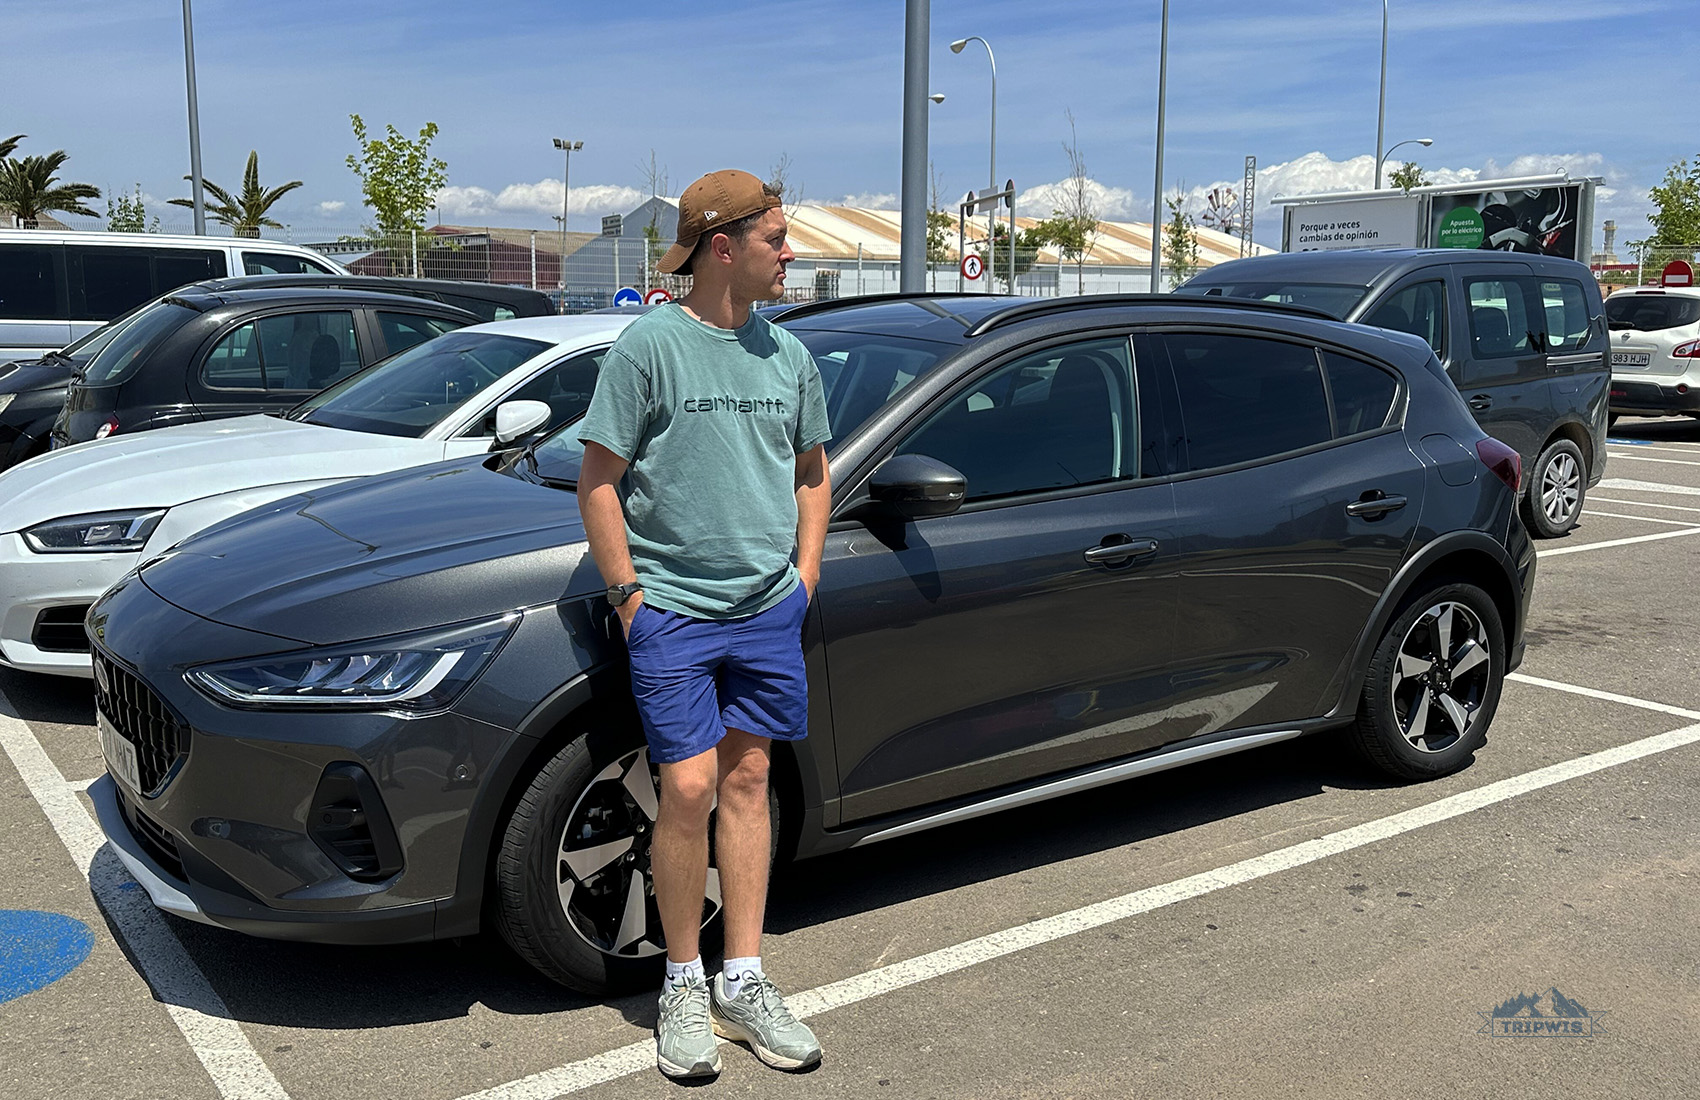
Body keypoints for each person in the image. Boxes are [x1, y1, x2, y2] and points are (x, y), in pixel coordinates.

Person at [575, 168, 831, 1079]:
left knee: (751, 778)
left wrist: (802, 576)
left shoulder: (787, 357)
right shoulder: (649, 348)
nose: (790, 253)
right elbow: (598, 480)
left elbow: (811, 473)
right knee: (684, 790)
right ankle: (681, 981)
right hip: (673, 611)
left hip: (766, 608)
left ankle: (744, 976)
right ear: (723, 247)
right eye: (776, 239)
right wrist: (630, 596)